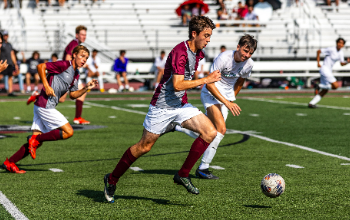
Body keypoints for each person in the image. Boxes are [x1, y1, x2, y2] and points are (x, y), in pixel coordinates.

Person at [103, 16, 221, 203]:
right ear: (194, 33)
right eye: (206, 35)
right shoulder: (180, 52)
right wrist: (207, 79)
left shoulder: (198, 53)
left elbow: (187, 82)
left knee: (210, 132)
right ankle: (112, 178)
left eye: (210, 36)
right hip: (161, 107)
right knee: (144, 147)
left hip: (180, 106)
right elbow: (177, 85)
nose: (208, 40)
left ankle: (183, 174)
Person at [163, 34, 256, 179]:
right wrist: (227, 102)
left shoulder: (249, 64)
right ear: (238, 47)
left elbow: (240, 81)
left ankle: (176, 127)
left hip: (226, 98)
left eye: (250, 53)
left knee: (210, 132)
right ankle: (203, 168)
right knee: (221, 129)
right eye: (245, 50)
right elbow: (210, 83)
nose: (247, 55)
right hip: (211, 93)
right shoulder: (224, 58)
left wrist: (231, 98)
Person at [2, 46, 98, 174]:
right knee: (68, 132)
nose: (84, 59)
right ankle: (35, 140)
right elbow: (41, 66)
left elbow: (73, 95)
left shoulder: (76, 73)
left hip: (42, 105)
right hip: (44, 105)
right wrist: (46, 86)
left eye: (86, 57)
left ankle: (10, 162)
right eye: (82, 56)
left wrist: (86, 88)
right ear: (74, 55)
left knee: (36, 141)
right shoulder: (64, 64)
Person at [60, 25, 90, 125]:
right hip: (68, 73)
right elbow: (68, 57)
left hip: (70, 72)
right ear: (77, 35)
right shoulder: (75, 44)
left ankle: (78, 117)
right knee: (61, 98)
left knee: (62, 98)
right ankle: (77, 117)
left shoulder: (76, 43)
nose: (84, 37)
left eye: (85, 35)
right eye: (82, 34)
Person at [309, 38, 350, 108]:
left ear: (343, 45)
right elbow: (319, 51)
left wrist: (347, 62)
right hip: (324, 69)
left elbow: (341, 63)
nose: (340, 44)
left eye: (342, 43)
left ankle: (311, 103)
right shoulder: (331, 49)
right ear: (336, 43)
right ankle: (319, 86)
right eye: (339, 42)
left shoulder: (341, 53)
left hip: (328, 71)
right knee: (335, 86)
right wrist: (318, 63)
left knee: (325, 90)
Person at [0, 30, 18, 97]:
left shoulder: (9, 44)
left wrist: (15, 63)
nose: (6, 36)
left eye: (6, 35)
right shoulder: (1, 43)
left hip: (9, 63)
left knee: (10, 77)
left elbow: (12, 54)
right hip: (3, 63)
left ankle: (10, 91)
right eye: (4, 35)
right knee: (1, 76)